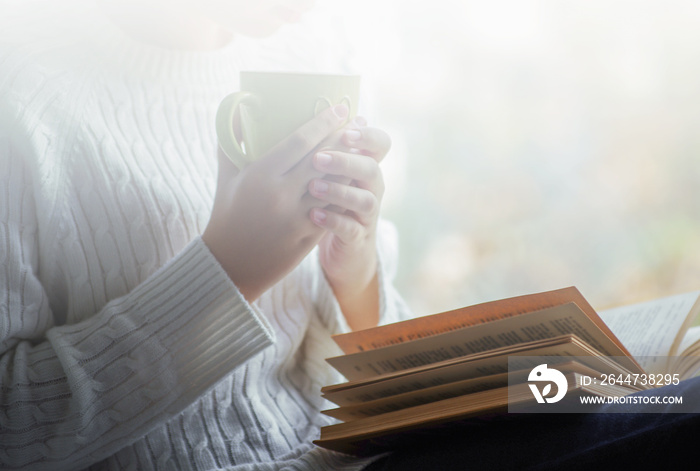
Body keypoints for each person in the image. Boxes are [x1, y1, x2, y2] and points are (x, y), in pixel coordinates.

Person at [0, 0, 411, 469]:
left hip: (358, 452)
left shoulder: (317, 50)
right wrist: (228, 272)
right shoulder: (19, 90)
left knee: (514, 398)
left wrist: (355, 269)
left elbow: (384, 366)